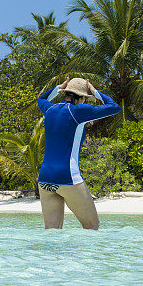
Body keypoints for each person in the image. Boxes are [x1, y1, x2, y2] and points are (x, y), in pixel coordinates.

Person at [37, 78, 120, 229]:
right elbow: (114, 107)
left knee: (52, 232)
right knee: (92, 227)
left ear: (66, 94)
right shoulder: (78, 112)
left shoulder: (49, 109)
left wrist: (58, 88)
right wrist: (95, 92)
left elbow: (41, 99)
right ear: (81, 98)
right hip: (67, 177)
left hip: (44, 179)